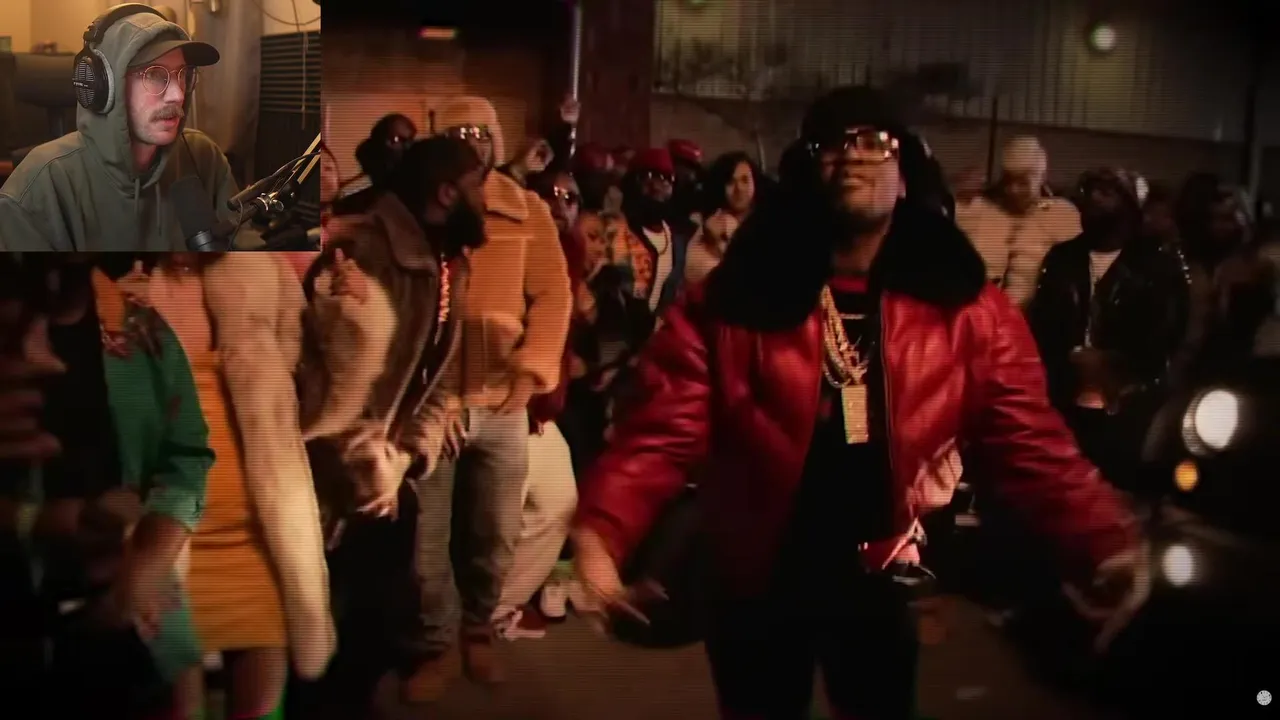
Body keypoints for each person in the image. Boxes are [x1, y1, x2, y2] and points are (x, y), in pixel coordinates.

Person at [571, 86, 1147, 720]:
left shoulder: (967, 309)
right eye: (834, 144)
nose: (854, 156)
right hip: (758, 571)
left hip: (882, 570)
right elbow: (660, 430)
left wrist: (1106, 538)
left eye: (876, 142)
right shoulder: (736, 298)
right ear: (807, 169)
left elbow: (1031, 441)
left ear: (905, 171)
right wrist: (602, 534)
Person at [299, 136, 483, 706]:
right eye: (478, 185)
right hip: (328, 473)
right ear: (447, 192)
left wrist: (403, 457)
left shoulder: (449, 259)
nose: (487, 197)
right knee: (317, 636)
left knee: (372, 629)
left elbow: (438, 380)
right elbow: (319, 381)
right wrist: (363, 464)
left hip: (386, 470)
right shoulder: (362, 248)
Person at [2, 256, 214, 717]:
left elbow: (187, 457)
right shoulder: (12, 334)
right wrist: (43, 520)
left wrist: (149, 566)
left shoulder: (138, 329)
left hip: (126, 611)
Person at [407, 95, 569, 694]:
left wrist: (530, 375)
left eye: (481, 132)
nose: (473, 143)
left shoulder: (527, 210)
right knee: (425, 544)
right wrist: (429, 400)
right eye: (460, 133)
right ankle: (437, 643)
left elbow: (553, 295)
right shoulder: (424, 211)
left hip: (503, 400)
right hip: (435, 408)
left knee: (494, 533)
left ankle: (478, 630)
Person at [130, 252, 335, 719]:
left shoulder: (258, 270)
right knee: (177, 706)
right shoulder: (120, 284)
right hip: (162, 538)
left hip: (256, 538)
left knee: (261, 706)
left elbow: (311, 390)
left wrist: (340, 318)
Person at [0, 5, 235, 251]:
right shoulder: (38, 187)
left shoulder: (202, 157)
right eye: (155, 74)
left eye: (182, 74)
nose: (178, 95)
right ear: (106, 85)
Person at [1027, 167, 1190, 488]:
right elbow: (1042, 326)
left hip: (1129, 406)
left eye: (1106, 192)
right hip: (1064, 399)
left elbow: (1165, 334)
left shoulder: (1158, 265)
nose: (1094, 199)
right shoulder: (1062, 258)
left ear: (1130, 205)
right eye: (1090, 191)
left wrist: (1112, 364)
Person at [956, 136, 1081, 307]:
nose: (1013, 190)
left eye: (1023, 183)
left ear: (1042, 177)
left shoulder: (1060, 215)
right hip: (975, 312)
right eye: (1008, 181)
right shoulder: (977, 209)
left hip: (1031, 317)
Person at [685, 152, 766, 286]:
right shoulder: (702, 223)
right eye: (731, 182)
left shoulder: (766, 222)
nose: (739, 188)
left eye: (745, 180)